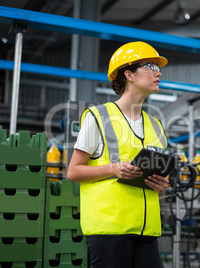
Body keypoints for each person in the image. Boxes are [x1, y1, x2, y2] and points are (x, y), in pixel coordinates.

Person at [67, 41, 169, 268]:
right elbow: (73, 172)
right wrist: (114, 169)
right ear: (129, 74)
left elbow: (159, 169)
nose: (158, 72)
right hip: (109, 229)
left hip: (147, 230)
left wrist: (162, 182)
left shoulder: (156, 125)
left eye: (158, 67)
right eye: (151, 66)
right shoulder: (98, 117)